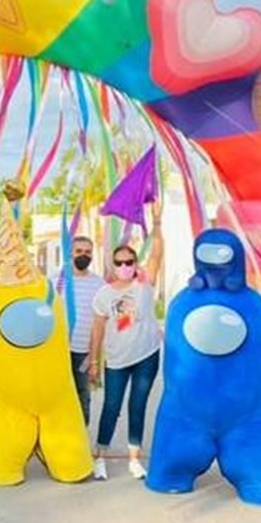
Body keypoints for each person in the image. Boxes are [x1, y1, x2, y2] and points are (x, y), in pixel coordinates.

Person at [88, 201, 164, 481]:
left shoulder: (144, 285)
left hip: (146, 356)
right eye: (118, 263)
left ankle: (134, 459)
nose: (123, 266)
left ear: (135, 265)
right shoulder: (104, 295)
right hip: (117, 360)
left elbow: (157, 254)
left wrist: (156, 223)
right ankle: (101, 456)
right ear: (113, 265)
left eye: (128, 262)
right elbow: (97, 330)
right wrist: (94, 362)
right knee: (111, 406)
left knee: (138, 405)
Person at [68, 235, 105, 424]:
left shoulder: (99, 284)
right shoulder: (56, 280)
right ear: (70, 253)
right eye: (79, 251)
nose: (84, 255)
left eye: (88, 252)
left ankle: (80, 441)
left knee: (83, 396)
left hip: (84, 353)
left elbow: (101, 324)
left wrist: (94, 359)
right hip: (58, 352)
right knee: (58, 397)